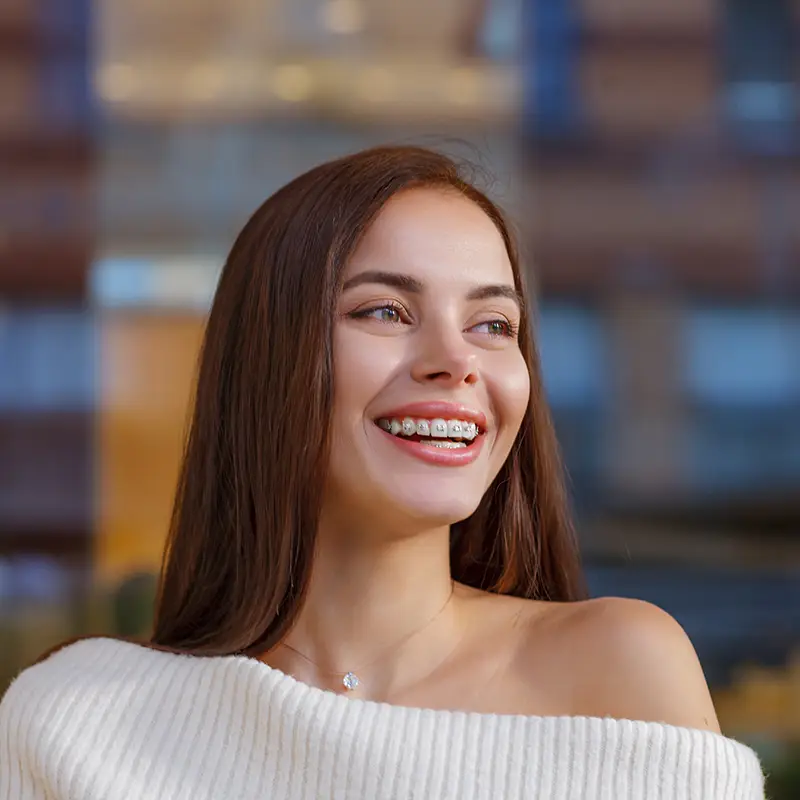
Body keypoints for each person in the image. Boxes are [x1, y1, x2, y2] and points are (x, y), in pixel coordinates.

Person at [0, 146, 764, 798]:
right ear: (268, 360)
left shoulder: (619, 667)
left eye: (492, 325)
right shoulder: (78, 721)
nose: (457, 362)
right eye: (385, 312)